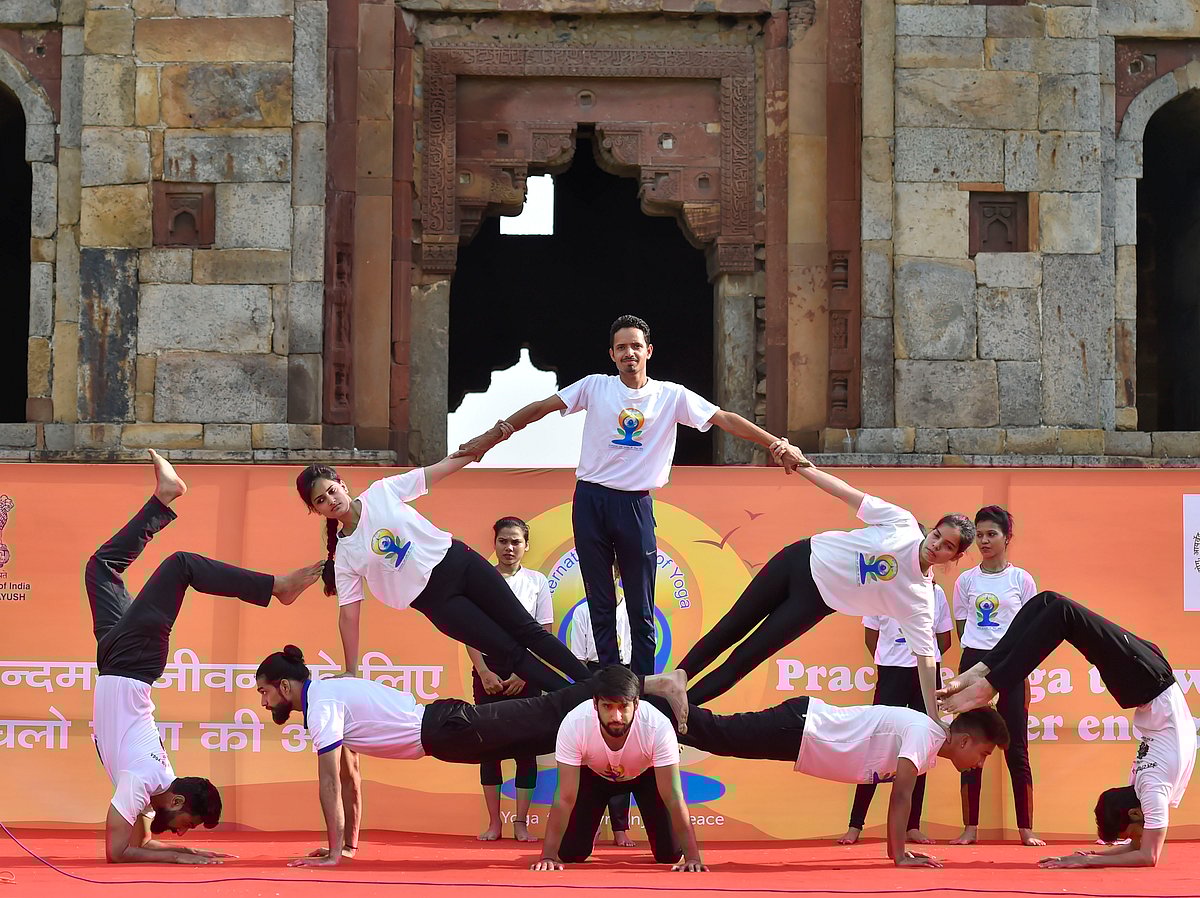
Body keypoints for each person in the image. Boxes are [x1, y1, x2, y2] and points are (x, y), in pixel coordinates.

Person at [456, 314, 803, 677]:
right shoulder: (595, 387)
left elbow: (725, 419)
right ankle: (609, 684)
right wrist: (493, 435)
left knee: (640, 606)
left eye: (636, 346)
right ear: (612, 354)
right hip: (591, 500)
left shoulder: (670, 395)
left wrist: (776, 445)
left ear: (648, 351)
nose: (629, 354)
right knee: (600, 602)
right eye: (621, 348)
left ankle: (640, 685)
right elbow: (542, 408)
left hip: (635, 504)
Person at [91, 451, 323, 865]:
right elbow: (118, 852)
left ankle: (163, 500)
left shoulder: (147, 790)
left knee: (101, 567)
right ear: (177, 797)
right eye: (187, 823)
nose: (182, 829)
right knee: (181, 565)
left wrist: (181, 848)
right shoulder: (146, 780)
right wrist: (176, 856)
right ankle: (277, 587)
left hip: (116, 661)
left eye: (185, 828)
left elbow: (133, 846)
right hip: (132, 662)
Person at [254, 648, 688, 868]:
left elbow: (330, 781)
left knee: (550, 710)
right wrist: (345, 846)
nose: (264, 701)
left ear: (286, 687)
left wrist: (332, 854)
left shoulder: (321, 702)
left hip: (448, 728)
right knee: (545, 732)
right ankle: (646, 707)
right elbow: (350, 775)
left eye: (265, 691)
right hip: (446, 738)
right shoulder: (326, 697)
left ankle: (655, 685)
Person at [675, 448, 973, 730]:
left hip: (815, 602)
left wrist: (933, 717)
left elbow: (925, 658)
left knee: (744, 659)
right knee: (729, 628)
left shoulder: (920, 598)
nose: (936, 545)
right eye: (937, 535)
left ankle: (673, 712)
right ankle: (675, 679)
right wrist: (801, 464)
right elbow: (845, 492)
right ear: (932, 529)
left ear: (955, 557)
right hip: (799, 561)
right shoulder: (903, 523)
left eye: (947, 546)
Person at [645, 671, 1008, 868]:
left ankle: (650, 705)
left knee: (717, 735)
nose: (980, 763)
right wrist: (898, 856)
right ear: (964, 741)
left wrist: (901, 852)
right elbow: (901, 797)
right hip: (802, 727)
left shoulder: (929, 740)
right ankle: (651, 696)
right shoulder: (925, 733)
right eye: (984, 753)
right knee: (718, 734)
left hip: (802, 736)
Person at [939, 593, 1196, 867]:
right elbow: (1148, 856)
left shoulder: (1142, 791)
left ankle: (985, 669)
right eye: (1131, 835)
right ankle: (990, 682)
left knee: (1051, 604)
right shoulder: (1153, 792)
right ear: (1134, 813)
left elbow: (1140, 850)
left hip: (1148, 683)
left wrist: (1087, 856)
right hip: (1149, 681)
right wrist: (1088, 861)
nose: (1136, 839)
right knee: (1060, 611)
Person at [295, 456, 591, 692]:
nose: (331, 500)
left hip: (459, 563)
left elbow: (435, 472)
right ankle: (579, 697)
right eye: (320, 500)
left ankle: (593, 684)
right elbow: (349, 614)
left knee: (527, 630)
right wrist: (351, 669)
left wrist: (477, 449)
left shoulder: (382, 492)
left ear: (342, 485)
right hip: (436, 601)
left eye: (331, 490)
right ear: (316, 510)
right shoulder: (345, 555)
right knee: (508, 652)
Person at [534, 665, 705, 873]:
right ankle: (586, 833)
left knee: (669, 854)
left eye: (623, 706)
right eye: (607, 706)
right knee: (571, 854)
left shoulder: (658, 726)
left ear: (636, 703)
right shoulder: (574, 723)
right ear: (595, 704)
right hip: (594, 775)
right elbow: (564, 797)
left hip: (645, 775)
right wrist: (548, 856)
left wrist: (693, 858)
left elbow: (674, 797)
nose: (616, 716)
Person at [950, 506, 1042, 847]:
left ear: (1007, 538)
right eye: (981, 534)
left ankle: (1026, 829)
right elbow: (962, 625)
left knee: (1016, 747)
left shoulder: (1022, 580)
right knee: (970, 742)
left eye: (992, 534)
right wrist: (978, 657)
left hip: (1012, 665)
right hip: (974, 662)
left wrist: (1012, 662)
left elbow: (1034, 630)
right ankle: (970, 828)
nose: (985, 541)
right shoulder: (966, 580)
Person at [839, 582, 954, 846]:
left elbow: (944, 639)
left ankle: (912, 825)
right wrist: (891, 659)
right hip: (891, 673)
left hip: (924, 675)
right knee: (875, 746)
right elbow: (871, 635)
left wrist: (921, 659)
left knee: (921, 747)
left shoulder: (936, 593)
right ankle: (855, 824)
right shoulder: (882, 589)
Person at [468, 516, 552, 843]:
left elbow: (544, 633)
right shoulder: (479, 581)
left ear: (526, 546)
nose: (509, 547)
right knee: (488, 748)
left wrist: (524, 673)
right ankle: (494, 824)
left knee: (524, 749)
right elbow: (468, 631)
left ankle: (520, 824)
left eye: (516, 541)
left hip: (526, 674)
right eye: (503, 540)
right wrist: (484, 672)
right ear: (495, 543)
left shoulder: (537, 582)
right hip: (488, 672)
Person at [568, 567, 643, 849]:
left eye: (612, 569)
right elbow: (578, 657)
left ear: (619, 573)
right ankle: (592, 825)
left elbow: (643, 647)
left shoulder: (635, 608)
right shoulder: (582, 612)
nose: (607, 574)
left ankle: (621, 827)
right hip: (594, 675)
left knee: (625, 754)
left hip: (627, 677)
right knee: (592, 756)